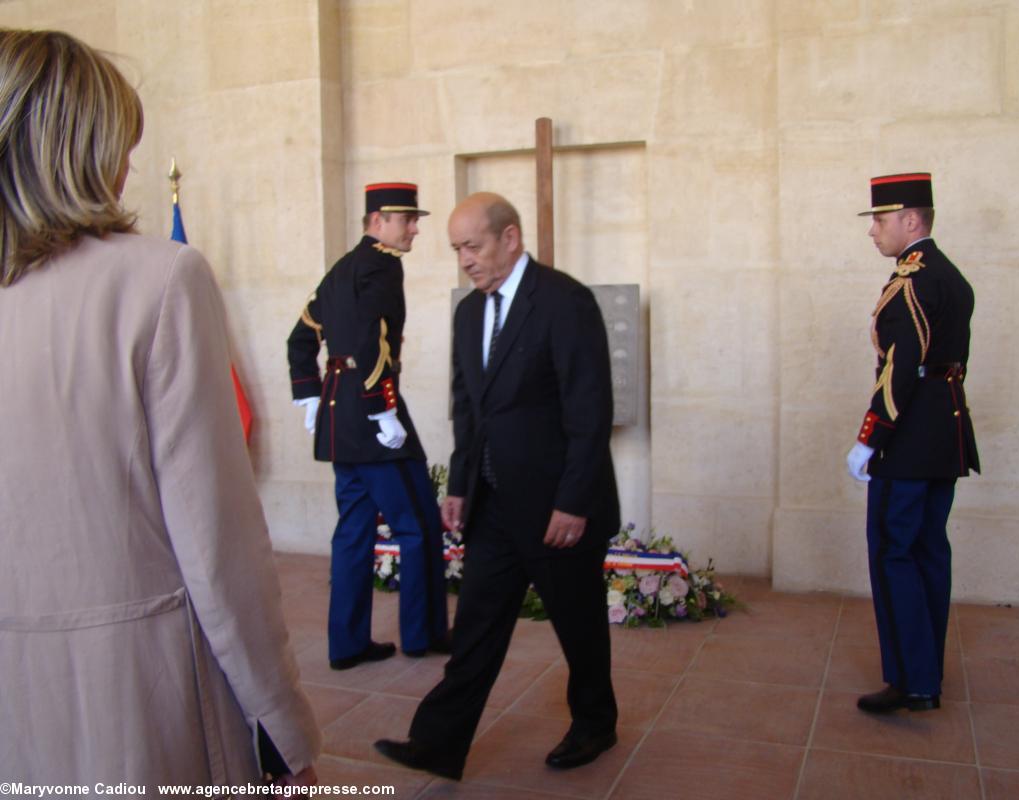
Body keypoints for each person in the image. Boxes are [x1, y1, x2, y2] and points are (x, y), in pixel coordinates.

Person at [0, 29, 320, 785]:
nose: (127, 169)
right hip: (131, 695)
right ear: (77, 148)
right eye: (121, 145)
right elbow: (217, 544)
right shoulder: (159, 281)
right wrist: (283, 722)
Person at [375, 192, 620, 780]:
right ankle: (439, 743)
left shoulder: (564, 301)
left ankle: (595, 724)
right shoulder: (468, 313)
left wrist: (573, 502)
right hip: (493, 507)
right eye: (456, 249)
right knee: (476, 628)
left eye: (473, 246)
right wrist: (460, 485)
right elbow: (470, 409)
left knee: (580, 627)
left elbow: (590, 411)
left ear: (510, 238)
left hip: (556, 508)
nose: (465, 259)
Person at [287, 183, 449, 669]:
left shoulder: (340, 269)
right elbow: (370, 340)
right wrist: (383, 410)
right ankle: (423, 635)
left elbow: (300, 337)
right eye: (407, 219)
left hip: (340, 418)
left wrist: (310, 396)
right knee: (418, 525)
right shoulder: (381, 265)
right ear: (378, 221)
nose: (415, 229)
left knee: (354, 532)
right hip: (372, 418)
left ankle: (348, 643)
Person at [847, 172, 980, 714]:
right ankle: (927, 675)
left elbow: (899, 371)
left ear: (910, 220)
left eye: (880, 220)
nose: (873, 231)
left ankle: (911, 680)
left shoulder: (911, 281)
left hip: (907, 441)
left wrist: (870, 436)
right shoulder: (952, 276)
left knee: (893, 552)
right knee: (928, 552)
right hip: (945, 434)